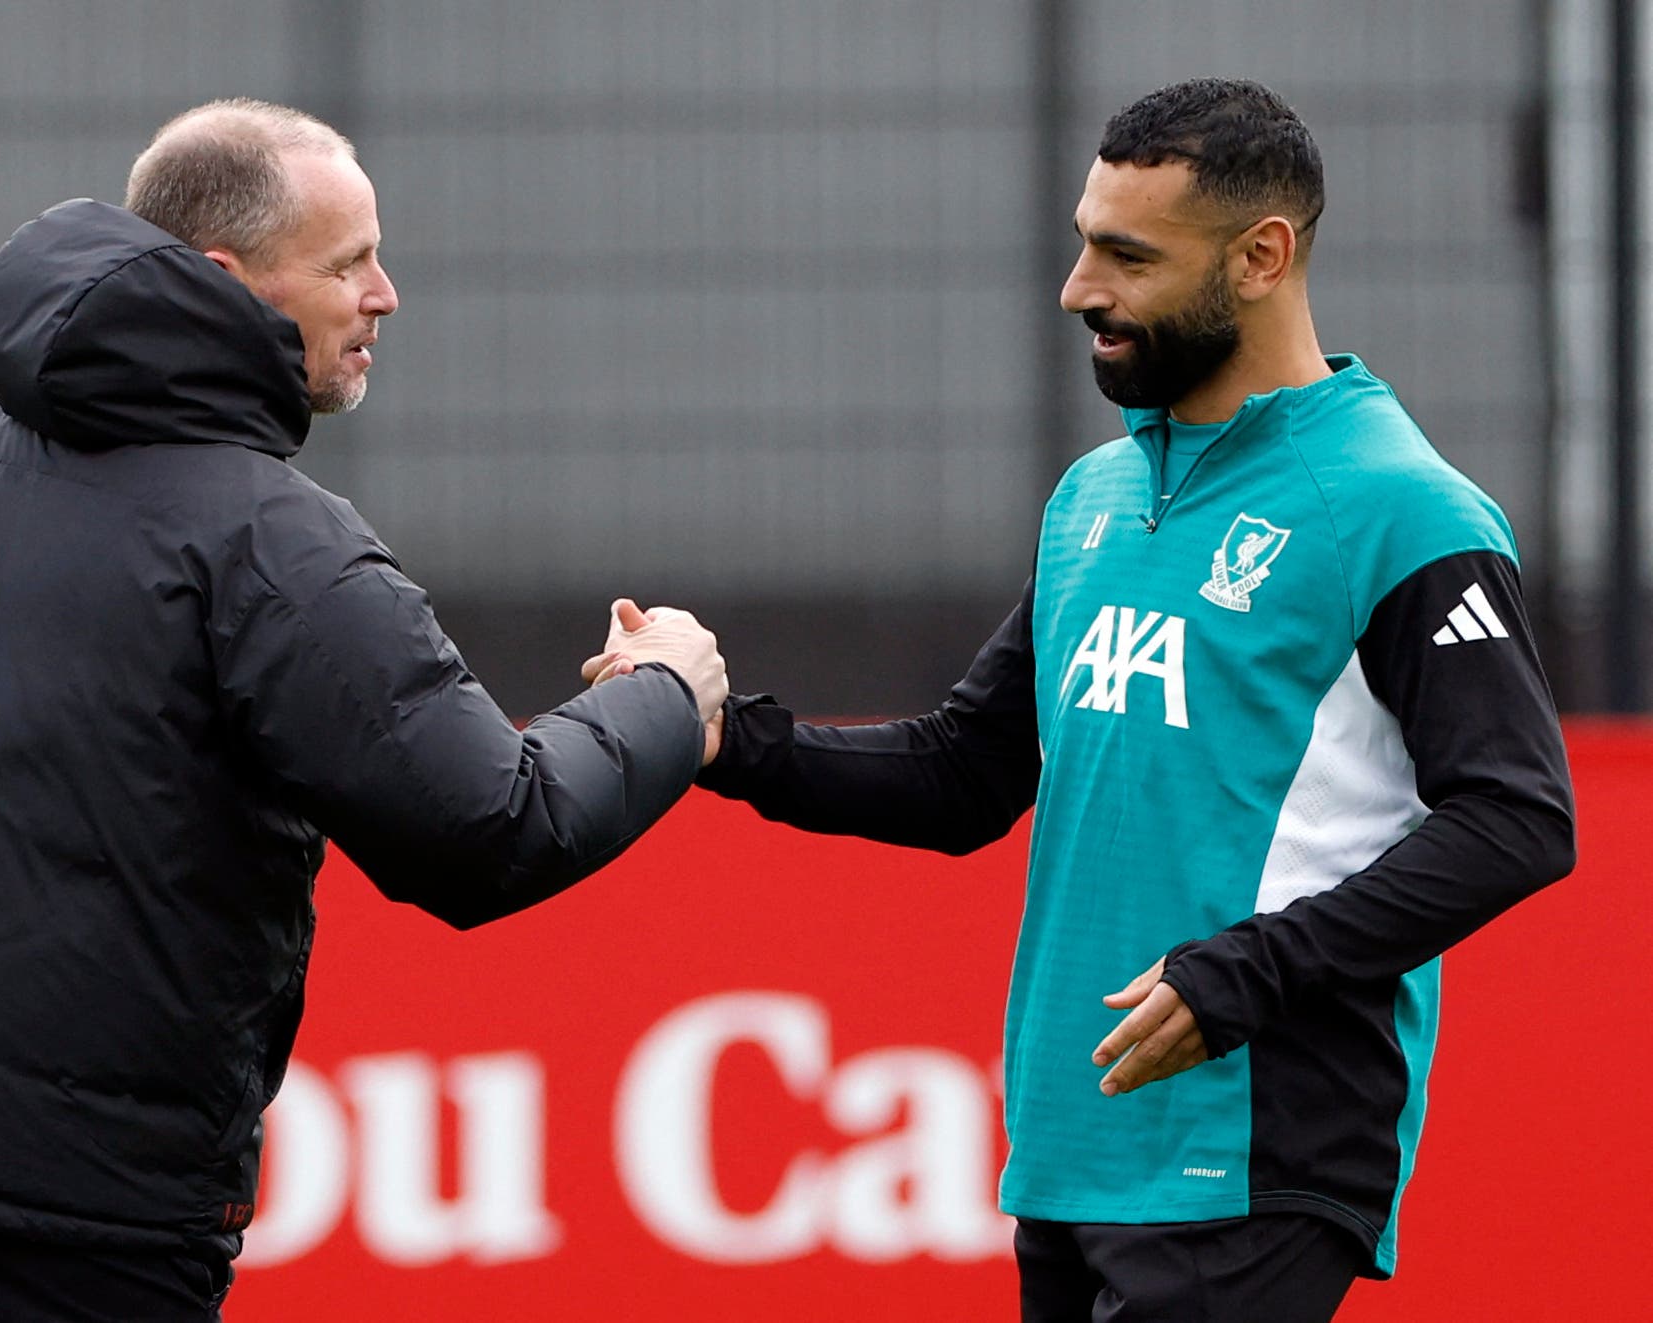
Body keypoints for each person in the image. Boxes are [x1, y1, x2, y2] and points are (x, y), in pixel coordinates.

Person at [0, 99, 725, 1321]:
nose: (385, 294)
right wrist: (665, 696)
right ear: (226, 281)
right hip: (89, 1213)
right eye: (346, 263)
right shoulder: (269, 535)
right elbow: (488, 829)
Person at [595, 79, 1575, 1321]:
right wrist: (716, 730)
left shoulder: (1400, 508)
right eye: (1083, 241)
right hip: (1073, 1146)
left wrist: (1247, 975)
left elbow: (1518, 817)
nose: (1079, 289)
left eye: (1127, 255)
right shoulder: (1097, 498)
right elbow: (962, 776)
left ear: (1262, 257)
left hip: (1256, 1145)